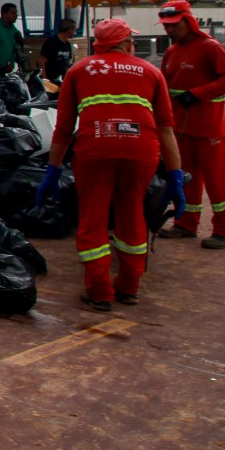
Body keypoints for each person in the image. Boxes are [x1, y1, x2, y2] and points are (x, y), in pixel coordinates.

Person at [38, 18, 184, 313]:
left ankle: (100, 291)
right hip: (141, 151)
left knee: (93, 219)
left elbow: (63, 129)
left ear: (97, 44)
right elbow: (166, 129)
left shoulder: (79, 71)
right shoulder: (152, 72)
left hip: (95, 151)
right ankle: (129, 288)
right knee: (132, 216)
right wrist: (175, 176)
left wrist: (52, 172)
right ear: (126, 43)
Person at [155, 0, 225, 248]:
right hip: (182, 128)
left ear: (189, 21)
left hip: (209, 129)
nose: (169, 30)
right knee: (186, 178)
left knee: (218, 181)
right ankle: (185, 224)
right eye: (166, 25)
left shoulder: (210, 48)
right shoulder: (172, 52)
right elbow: (164, 86)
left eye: (174, 25)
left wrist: (198, 93)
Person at [39, 18, 78, 92]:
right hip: (50, 82)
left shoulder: (67, 45)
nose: (74, 32)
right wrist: (45, 79)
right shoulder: (52, 42)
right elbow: (41, 60)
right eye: (74, 30)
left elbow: (67, 64)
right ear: (69, 30)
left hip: (61, 82)